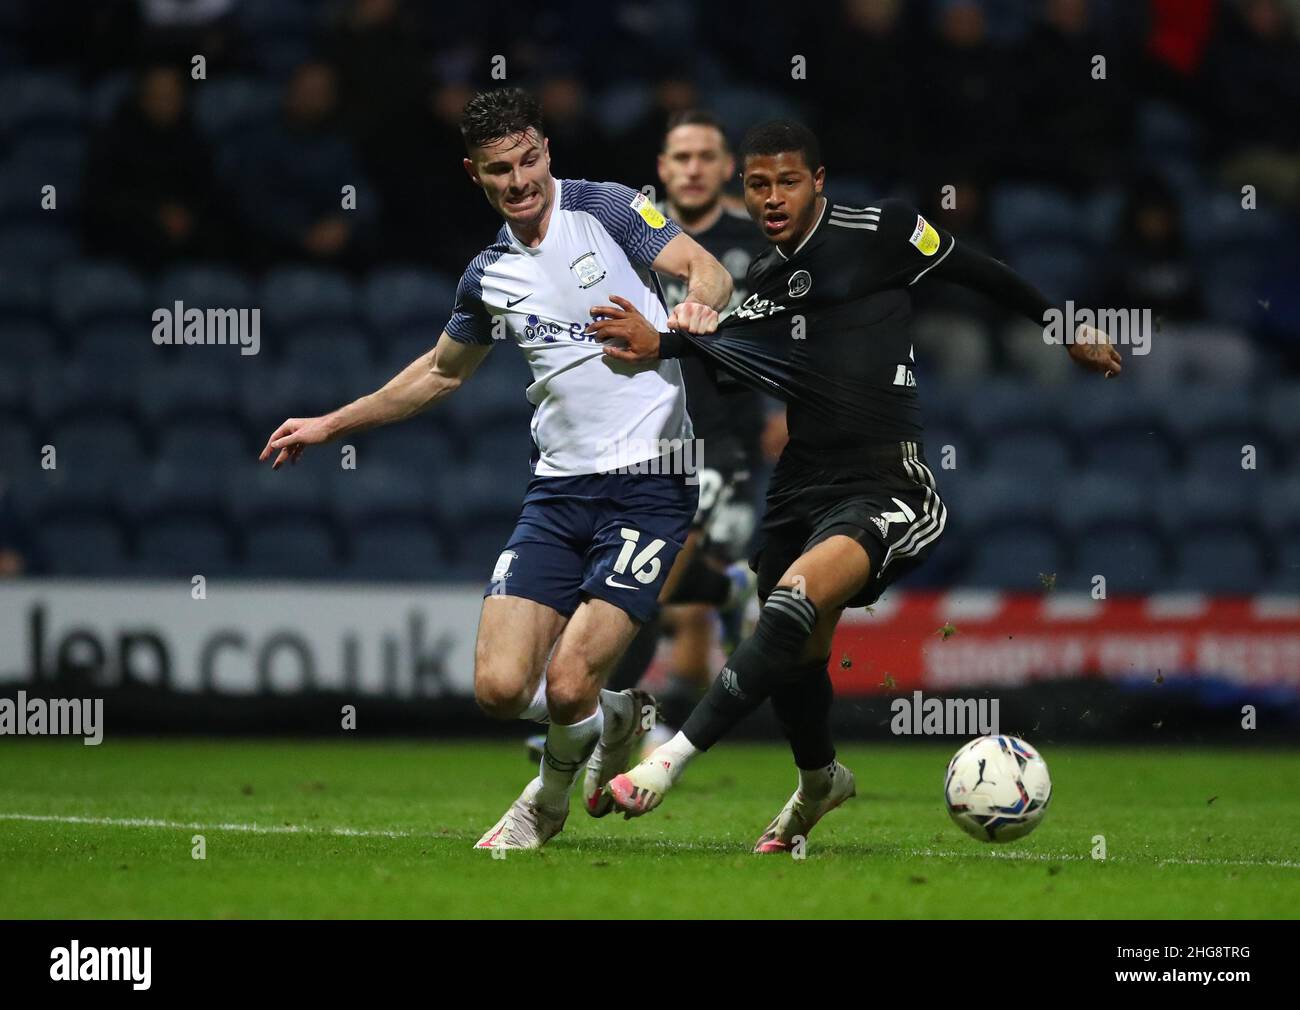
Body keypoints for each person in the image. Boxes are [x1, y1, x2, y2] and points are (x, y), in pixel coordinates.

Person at [588, 120, 1121, 851]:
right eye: (758, 185)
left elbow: (977, 269)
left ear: (819, 181)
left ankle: (666, 765)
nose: (772, 198)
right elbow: (723, 350)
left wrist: (1063, 323)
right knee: (797, 653)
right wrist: (658, 344)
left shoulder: (885, 230)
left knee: (790, 604)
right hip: (799, 486)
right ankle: (819, 782)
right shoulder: (768, 284)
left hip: (885, 480)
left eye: (787, 181)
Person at [258, 87, 732, 850]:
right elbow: (441, 374)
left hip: (652, 483)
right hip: (558, 492)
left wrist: (688, 313)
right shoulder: (487, 275)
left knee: (568, 682)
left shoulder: (606, 209)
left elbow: (703, 269)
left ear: (546, 148)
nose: (519, 181)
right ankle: (621, 715)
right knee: (500, 689)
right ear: (474, 174)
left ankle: (543, 804)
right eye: (498, 170)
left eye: (527, 160)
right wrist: (330, 423)